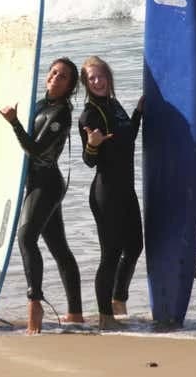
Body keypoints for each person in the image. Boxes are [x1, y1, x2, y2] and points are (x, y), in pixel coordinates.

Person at [0, 57, 84, 334]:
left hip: (46, 184)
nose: (55, 78)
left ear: (70, 86)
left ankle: (35, 302)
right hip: (36, 183)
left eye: (63, 76)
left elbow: (35, 149)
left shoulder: (61, 113)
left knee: (26, 237)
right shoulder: (38, 104)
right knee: (59, 249)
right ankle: (76, 314)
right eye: (54, 72)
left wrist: (14, 123)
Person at [77, 55, 144, 330]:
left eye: (100, 75)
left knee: (135, 246)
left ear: (108, 75)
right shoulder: (90, 114)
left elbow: (128, 138)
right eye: (91, 78)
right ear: (86, 83)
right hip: (107, 194)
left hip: (126, 189)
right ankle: (105, 316)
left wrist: (139, 112)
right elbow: (89, 160)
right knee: (111, 254)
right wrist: (92, 145)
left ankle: (118, 300)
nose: (97, 81)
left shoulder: (114, 106)